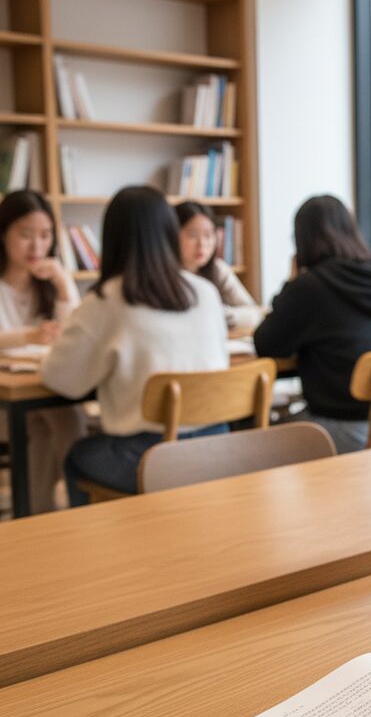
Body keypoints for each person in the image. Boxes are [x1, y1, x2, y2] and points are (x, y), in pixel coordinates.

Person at [42, 187, 229, 505]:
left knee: (78, 457)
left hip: (149, 456)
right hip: (220, 447)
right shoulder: (205, 292)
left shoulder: (106, 300)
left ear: (112, 238)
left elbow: (61, 379)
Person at [254, 194, 371, 453]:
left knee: (251, 434)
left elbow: (265, 343)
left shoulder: (310, 286)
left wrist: (292, 281)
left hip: (343, 430)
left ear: (303, 240)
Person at [0, 190, 85, 512]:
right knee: (65, 417)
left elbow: (77, 333)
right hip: (5, 402)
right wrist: (29, 335)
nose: (37, 247)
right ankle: (82, 499)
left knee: (46, 425)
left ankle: (37, 514)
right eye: (25, 235)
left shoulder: (49, 280)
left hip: (39, 393)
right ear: (3, 234)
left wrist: (63, 283)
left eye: (45, 235)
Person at [175, 200, 263, 329]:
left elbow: (254, 314)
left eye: (208, 235)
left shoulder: (218, 269)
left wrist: (218, 315)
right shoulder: (163, 274)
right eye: (192, 235)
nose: (202, 244)